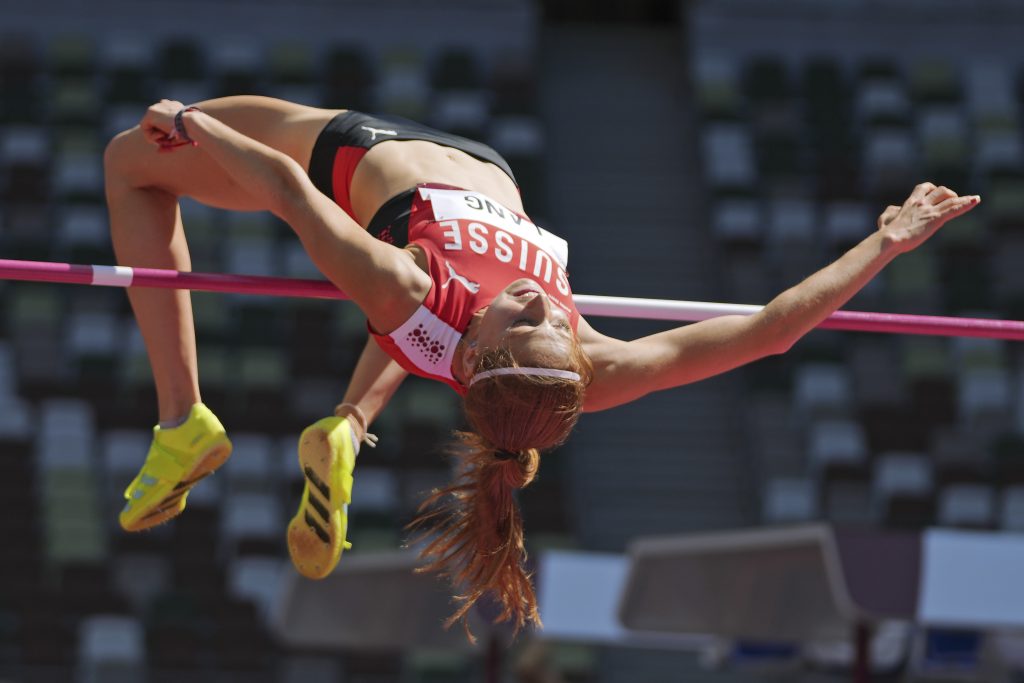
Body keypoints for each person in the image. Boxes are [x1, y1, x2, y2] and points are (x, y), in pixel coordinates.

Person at [104, 95, 980, 640]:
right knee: (417, 333)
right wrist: (884, 241)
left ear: (487, 347)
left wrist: (187, 122)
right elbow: (772, 332)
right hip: (479, 203)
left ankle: (185, 418)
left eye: (521, 321)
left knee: (129, 165)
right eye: (554, 322)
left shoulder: (406, 284)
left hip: (358, 150)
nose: (535, 299)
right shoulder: (586, 370)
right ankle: (350, 423)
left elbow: (290, 194)